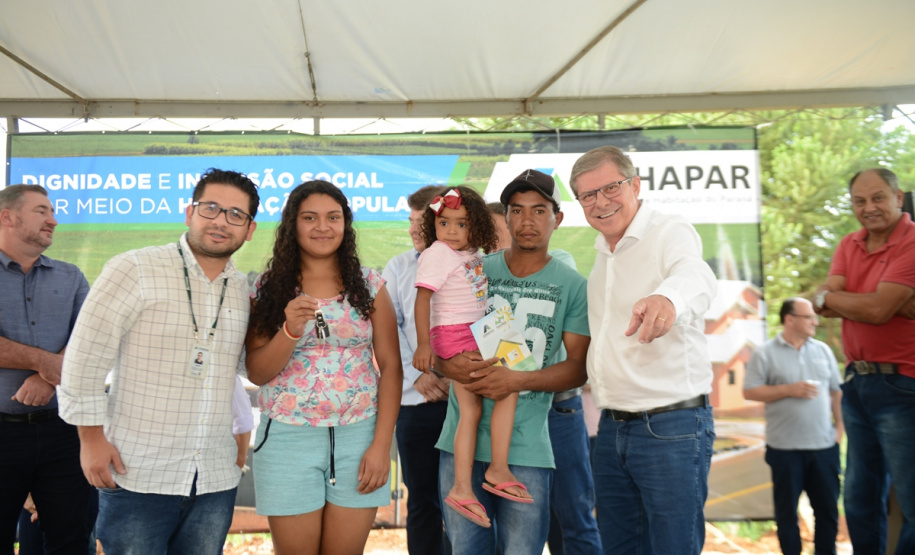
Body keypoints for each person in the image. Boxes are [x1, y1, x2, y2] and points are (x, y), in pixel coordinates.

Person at [58, 168, 259, 554]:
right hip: (139, 473)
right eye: (211, 208)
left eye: (236, 214)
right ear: (189, 212)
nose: (221, 221)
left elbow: (242, 367)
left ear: (249, 230)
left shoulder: (241, 289)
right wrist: (91, 439)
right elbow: (84, 358)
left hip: (214, 480)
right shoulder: (134, 268)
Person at [570, 146, 717, 555]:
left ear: (635, 184)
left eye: (610, 188)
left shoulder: (669, 230)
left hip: (671, 426)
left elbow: (696, 274)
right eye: (587, 195)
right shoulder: (602, 256)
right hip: (611, 428)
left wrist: (668, 299)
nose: (600, 202)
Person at [435, 169, 590, 554]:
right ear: (505, 217)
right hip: (461, 444)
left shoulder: (573, 284)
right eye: (517, 210)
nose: (527, 221)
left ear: (558, 218)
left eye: (539, 211)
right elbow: (440, 340)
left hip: (526, 448)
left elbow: (578, 368)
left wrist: (517, 381)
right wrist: (446, 366)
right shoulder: (476, 271)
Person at [245, 180, 402, 555]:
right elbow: (256, 372)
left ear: (346, 224)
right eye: (310, 218)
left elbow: (392, 367)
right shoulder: (269, 288)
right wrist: (288, 331)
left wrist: (381, 446)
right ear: (292, 225)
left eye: (333, 217)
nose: (322, 227)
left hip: (359, 438)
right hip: (287, 438)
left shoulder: (369, 284)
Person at [486, 200, 601, 554]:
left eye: (496, 233)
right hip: (498, 410)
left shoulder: (561, 264)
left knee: (572, 518)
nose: (492, 243)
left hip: (557, 410)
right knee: (509, 525)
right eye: (515, 215)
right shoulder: (481, 272)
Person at [813, 167, 915, 554]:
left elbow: (874, 311)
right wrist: (879, 301)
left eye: (878, 198)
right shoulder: (848, 244)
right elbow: (822, 304)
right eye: (859, 201)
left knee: (909, 499)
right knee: (858, 498)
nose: (868, 208)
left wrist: (839, 299)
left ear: (898, 198)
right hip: (856, 382)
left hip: (903, 384)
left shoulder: (912, 242)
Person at [0, 184, 94, 554]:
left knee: (69, 540)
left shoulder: (70, 277)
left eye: (52, 212)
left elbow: (93, 339)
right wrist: (48, 363)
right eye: (41, 211)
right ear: (7, 216)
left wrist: (47, 380)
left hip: (62, 432)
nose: (53, 220)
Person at [412, 186, 511, 529]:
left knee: (487, 400)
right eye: (444, 223)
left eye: (461, 224)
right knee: (498, 392)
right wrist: (424, 345)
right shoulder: (438, 253)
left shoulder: (470, 254)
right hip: (456, 334)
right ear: (433, 224)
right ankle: (474, 480)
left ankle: (473, 481)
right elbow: (423, 300)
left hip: (478, 329)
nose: (451, 231)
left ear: (477, 226)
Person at [382, 185, 452, 555]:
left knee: (466, 500)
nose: (412, 230)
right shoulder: (398, 267)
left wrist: (454, 380)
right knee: (423, 502)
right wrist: (420, 376)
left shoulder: (477, 265)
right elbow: (390, 329)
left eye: (420, 222)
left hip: (467, 403)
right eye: (410, 221)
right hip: (416, 403)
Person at [743, 298, 842, 555]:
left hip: (824, 448)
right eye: (808, 317)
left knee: (828, 514)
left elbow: (836, 393)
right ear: (790, 319)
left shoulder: (823, 350)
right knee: (786, 516)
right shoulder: (764, 352)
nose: (815, 321)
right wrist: (789, 389)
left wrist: (839, 430)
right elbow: (750, 391)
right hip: (784, 448)